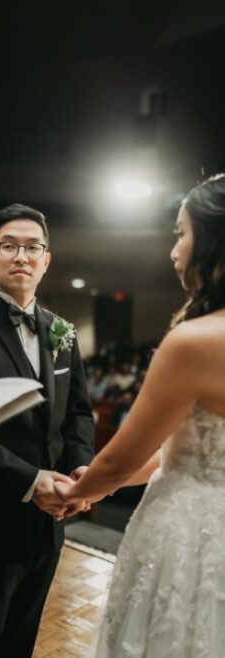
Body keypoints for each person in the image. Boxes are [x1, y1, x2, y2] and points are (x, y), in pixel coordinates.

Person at [55, 173, 225, 657]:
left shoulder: (193, 342)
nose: (173, 251)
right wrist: (98, 487)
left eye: (181, 233)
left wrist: (78, 491)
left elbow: (124, 456)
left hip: (189, 532)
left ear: (214, 241)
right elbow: (173, 451)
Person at [0, 203, 95, 658]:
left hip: (48, 526)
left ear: (46, 260)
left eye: (32, 247)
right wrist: (30, 482)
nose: (22, 256)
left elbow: (78, 412)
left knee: (20, 643)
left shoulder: (62, 331)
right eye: (9, 246)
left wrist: (81, 470)